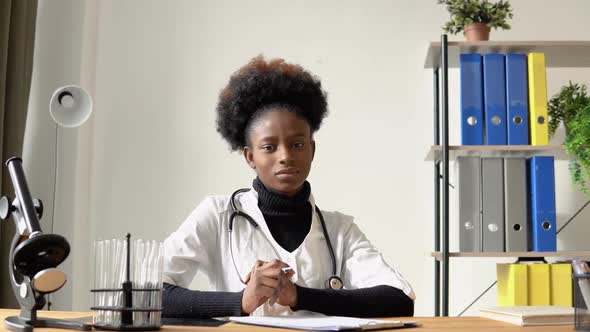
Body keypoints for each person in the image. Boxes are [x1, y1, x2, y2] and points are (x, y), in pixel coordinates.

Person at [161, 56, 415, 318]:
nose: (285, 156)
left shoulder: (340, 230)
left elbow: (399, 300)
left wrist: (298, 296)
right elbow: (148, 294)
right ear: (250, 156)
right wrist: (241, 302)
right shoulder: (217, 214)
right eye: (269, 147)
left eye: (297, 145)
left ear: (312, 150)